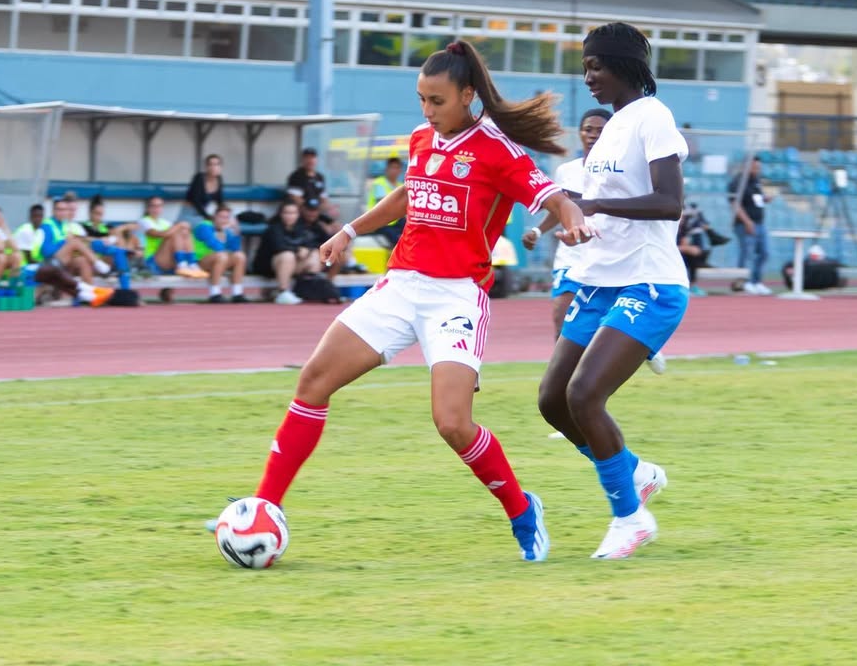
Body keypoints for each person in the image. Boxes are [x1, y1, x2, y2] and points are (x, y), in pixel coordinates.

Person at [225, 40, 591, 563]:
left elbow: (552, 197)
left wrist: (573, 220)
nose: (427, 110)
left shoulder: (499, 150)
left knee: (453, 423)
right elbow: (407, 193)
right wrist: (349, 230)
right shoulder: (422, 137)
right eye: (421, 99)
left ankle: (521, 509)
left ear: (467, 95)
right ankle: (265, 506)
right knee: (313, 382)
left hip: (455, 297)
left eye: (437, 101)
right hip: (400, 286)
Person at [536, 22, 688, 560]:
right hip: (599, 281)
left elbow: (669, 203)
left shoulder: (652, 117)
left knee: (584, 395)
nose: (588, 78)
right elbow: (602, 211)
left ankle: (630, 517)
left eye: (595, 66)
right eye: (585, 68)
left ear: (625, 65)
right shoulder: (614, 127)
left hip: (650, 282)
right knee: (553, 401)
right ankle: (634, 473)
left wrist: (597, 205)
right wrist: (580, 224)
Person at [523, 109, 612, 338]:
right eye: (588, 129)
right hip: (571, 257)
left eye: (600, 130)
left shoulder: (618, 172)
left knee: (603, 328)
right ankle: (562, 362)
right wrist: (537, 231)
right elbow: (559, 209)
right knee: (561, 319)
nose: (593, 135)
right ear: (580, 133)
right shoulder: (567, 171)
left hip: (606, 256)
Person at [253, 201, 321, 305]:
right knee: (287, 255)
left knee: (315, 254)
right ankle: (283, 291)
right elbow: (278, 247)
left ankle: (306, 289)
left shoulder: (301, 228)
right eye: (287, 213)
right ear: (281, 214)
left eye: (293, 213)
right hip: (269, 266)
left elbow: (312, 243)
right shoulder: (274, 228)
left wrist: (307, 249)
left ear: (298, 214)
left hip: (293, 265)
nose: (290, 216)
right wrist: (298, 250)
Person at [32, 198, 108, 283]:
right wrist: (64, 242)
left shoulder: (65, 225)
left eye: (64, 210)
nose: (62, 213)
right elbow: (46, 251)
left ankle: (90, 288)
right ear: (53, 211)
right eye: (59, 210)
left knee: (82, 261)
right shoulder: (47, 226)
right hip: (47, 262)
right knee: (74, 242)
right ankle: (97, 262)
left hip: (64, 259)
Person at [729, 156, 772, 295]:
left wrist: (765, 199)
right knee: (747, 253)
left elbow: (756, 199)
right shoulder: (738, 182)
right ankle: (743, 282)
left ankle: (756, 281)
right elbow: (735, 204)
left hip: (760, 223)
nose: (757, 170)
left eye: (758, 167)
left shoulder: (756, 181)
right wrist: (747, 221)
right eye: (754, 167)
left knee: (764, 252)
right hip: (745, 224)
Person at [138, 196, 206, 278]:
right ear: (148, 208)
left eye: (159, 206)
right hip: (152, 262)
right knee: (176, 231)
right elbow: (161, 234)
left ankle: (191, 263)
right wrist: (179, 225)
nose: (156, 209)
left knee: (184, 231)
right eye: (153, 206)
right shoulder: (144, 221)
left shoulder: (165, 222)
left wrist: (183, 227)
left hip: (169, 259)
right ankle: (182, 264)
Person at [193, 204, 248, 303]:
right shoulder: (204, 227)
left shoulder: (227, 230)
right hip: (200, 262)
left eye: (227, 218)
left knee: (240, 256)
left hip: (220, 260)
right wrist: (222, 232)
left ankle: (237, 293)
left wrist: (236, 233)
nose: (224, 220)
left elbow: (235, 249)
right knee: (222, 256)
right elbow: (216, 247)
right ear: (215, 217)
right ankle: (215, 293)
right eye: (221, 217)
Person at [80, 195, 136, 291]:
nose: (99, 217)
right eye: (96, 214)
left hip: (107, 259)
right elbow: (81, 239)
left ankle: (125, 287)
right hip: (92, 261)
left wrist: (117, 234)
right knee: (101, 244)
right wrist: (100, 240)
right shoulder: (83, 226)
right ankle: (125, 286)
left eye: (101, 214)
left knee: (118, 245)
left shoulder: (107, 227)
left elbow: (118, 239)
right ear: (90, 213)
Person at [367, 157, 405, 247]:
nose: (394, 170)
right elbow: (384, 205)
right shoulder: (379, 183)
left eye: (397, 168)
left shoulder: (401, 186)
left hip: (395, 221)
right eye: (392, 167)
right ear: (386, 169)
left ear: (400, 170)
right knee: (397, 240)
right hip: (380, 222)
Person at [179, 154, 225, 226]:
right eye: (210, 164)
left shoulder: (219, 179)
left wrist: (225, 213)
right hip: (190, 213)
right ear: (206, 167)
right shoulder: (199, 177)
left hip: (202, 214)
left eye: (217, 164)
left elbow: (219, 200)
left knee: (228, 222)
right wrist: (208, 217)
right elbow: (196, 201)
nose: (213, 167)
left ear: (221, 167)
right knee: (210, 226)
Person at [678, 203, 711, 298]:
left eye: (684, 216)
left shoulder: (691, 228)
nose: (682, 219)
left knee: (692, 256)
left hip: (683, 257)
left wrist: (682, 248)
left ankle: (691, 286)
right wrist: (683, 248)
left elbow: (697, 250)